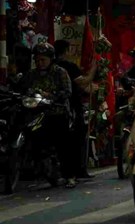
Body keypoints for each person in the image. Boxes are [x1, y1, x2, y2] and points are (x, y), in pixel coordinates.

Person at [17, 43, 77, 188]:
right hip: (36, 113)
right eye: (37, 60)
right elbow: (21, 88)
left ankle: (70, 176)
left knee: (63, 145)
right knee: (36, 141)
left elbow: (67, 92)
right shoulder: (31, 74)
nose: (40, 63)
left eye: (43, 60)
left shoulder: (60, 72)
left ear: (51, 59)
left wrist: (51, 95)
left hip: (58, 112)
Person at [53, 39, 97, 182]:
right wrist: (93, 70)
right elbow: (83, 81)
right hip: (69, 106)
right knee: (77, 137)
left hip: (57, 105)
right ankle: (77, 170)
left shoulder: (52, 66)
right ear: (66, 50)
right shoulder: (67, 66)